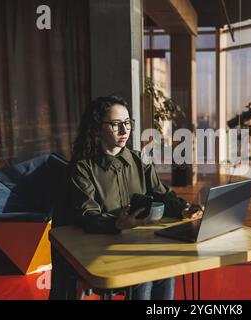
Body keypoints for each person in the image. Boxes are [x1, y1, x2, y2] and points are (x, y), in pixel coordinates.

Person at [67, 95, 203, 300]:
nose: (125, 131)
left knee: (167, 268)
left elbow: (162, 194)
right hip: (104, 252)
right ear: (96, 129)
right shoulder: (83, 168)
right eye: (116, 124)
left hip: (141, 245)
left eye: (128, 123)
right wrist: (117, 222)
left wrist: (183, 208)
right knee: (145, 274)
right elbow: (88, 215)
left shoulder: (139, 159)